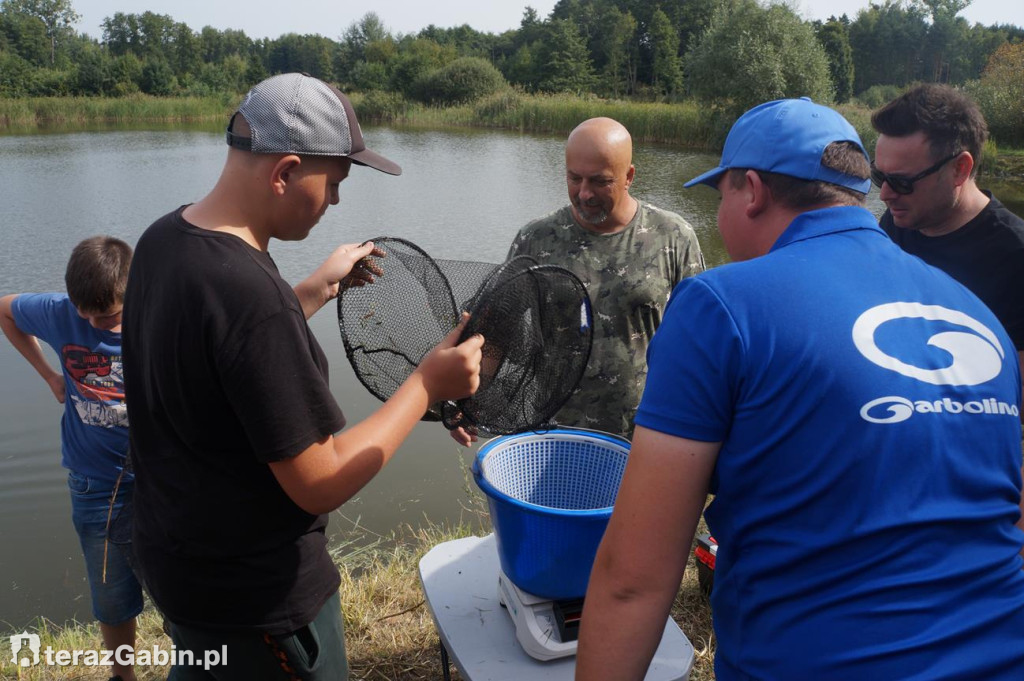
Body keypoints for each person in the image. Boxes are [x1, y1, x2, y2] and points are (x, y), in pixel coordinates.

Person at [576, 98, 1024, 680]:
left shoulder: (721, 305)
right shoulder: (977, 313)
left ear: (752, 191)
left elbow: (633, 580)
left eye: (722, 197)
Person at [121, 73, 483, 680]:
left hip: (182, 572)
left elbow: (223, 352)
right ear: (285, 171)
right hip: (261, 608)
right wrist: (425, 383)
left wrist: (313, 291)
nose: (336, 202)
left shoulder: (165, 239)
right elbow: (322, 481)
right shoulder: (250, 295)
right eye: (334, 183)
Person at [451, 116, 704, 444]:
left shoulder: (673, 237)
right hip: (549, 430)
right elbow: (497, 329)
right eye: (574, 178)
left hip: (642, 436)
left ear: (628, 177)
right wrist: (467, 400)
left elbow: (698, 341)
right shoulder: (536, 238)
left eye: (600, 181)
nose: (584, 194)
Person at [1, 236, 142, 681]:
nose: (94, 322)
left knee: (181, 588)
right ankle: (124, 676)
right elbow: (5, 309)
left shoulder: (157, 313)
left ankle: (195, 665)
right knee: (111, 594)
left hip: (162, 483)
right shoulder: (61, 312)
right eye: (86, 313)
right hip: (94, 486)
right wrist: (48, 375)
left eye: (108, 315)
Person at [872, 83, 1024, 400]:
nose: (885, 194)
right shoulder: (898, 223)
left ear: (959, 169)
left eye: (901, 181)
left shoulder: (1015, 256)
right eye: (879, 177)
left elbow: (1016, 397)